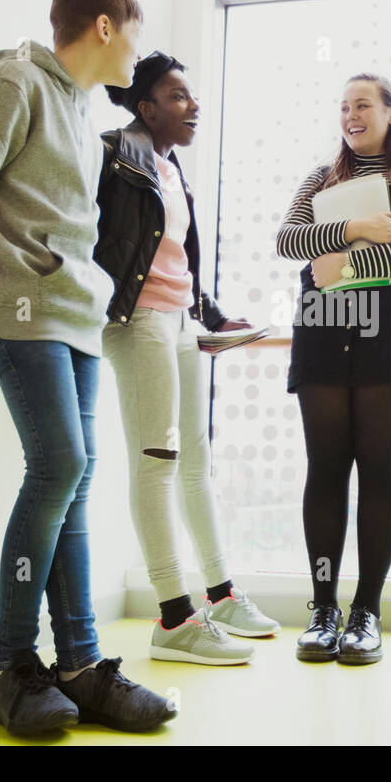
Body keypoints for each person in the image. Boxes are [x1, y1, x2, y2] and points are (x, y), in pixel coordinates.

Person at [0, 0, 175, 735]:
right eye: (135, 31)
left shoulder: (78, 105)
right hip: (19, 308)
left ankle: (80, 666)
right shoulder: (12, 84)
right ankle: (9, 668)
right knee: (59, 466)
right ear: (103, 27)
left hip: (75, 315)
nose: (140, 49)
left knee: (75, 478)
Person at [95, 51, 280, 665]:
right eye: (178, 97)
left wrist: (216, 315)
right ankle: (174, 619)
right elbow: (98, 244)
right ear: (146, 107)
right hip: (138, 323)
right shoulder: (115, 154)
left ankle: (221, 594)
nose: (193, 106)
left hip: (179, 323)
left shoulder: (172, 171)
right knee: (157, 465)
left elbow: (174, 261)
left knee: (195, 460)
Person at [276, 73, 391, 665]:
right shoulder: (318, 179)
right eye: (343, 106)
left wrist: (341, 264)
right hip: (323, 325)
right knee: (325, 466)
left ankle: (365, 612)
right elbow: (289, 241)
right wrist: (358, 227)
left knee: (378, 467)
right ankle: (323, 611)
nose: (351, 115)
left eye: (363, 104)